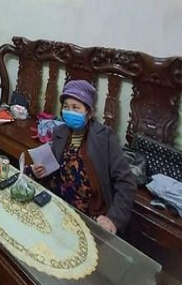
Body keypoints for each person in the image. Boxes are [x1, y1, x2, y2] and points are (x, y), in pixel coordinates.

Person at [31, 80, 136, 234]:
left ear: (89, 113)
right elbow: (53, 167)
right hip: (58, 204)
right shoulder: (60, 132)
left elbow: (126, 182)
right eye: (66, 107)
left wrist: (114, 219)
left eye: (76, 107)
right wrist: (40, 171)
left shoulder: (105, 137)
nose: (69, 111)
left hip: (89, 215)